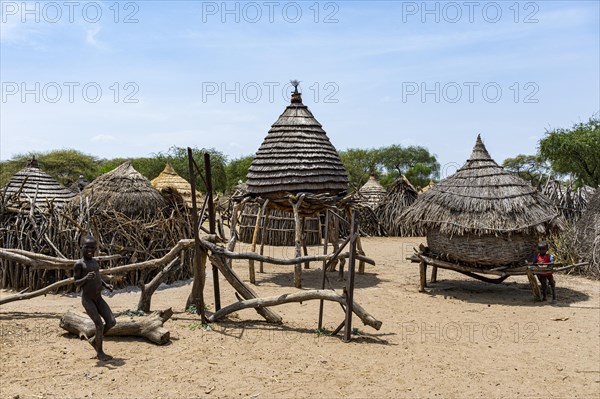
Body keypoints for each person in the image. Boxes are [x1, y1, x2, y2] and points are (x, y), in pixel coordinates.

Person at [73, 236, 116, 360]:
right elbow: (76, 283)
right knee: (99, 325)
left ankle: (94, 340)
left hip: (99, 298)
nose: (90, 250)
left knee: (112, 322)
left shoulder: (94, 262)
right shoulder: (79, 264)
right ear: (81, 247)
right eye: (87, 247)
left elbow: (97, 277)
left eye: (93, 247)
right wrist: (85, 278)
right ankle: (100, 352)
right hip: (88, 300)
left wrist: (106, 285)